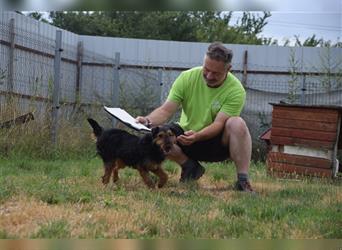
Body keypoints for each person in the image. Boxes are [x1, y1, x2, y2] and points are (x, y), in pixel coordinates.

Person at [136, 42, 254, 192]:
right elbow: (166, 110)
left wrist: (198, 136)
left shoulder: (236, 90)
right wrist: (147, 121)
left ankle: (242, 181)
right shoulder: (187, 77)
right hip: (185, 138)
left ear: (228, 69)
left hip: (216, 143)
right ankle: (189, 167)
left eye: (216, 73)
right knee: (160, 133)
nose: (209, 76)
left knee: (237, 123)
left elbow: (218, 124)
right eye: (206, 69)